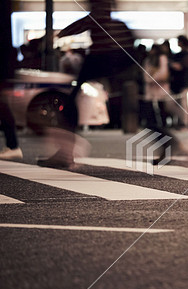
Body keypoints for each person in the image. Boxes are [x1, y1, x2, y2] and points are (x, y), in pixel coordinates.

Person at [37, 0, 136, 168]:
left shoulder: (95, 21)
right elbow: (132, 46)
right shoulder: (119, 25)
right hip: (121, 66)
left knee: (70, 103)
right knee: (136, 109)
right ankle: (170, 140)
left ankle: (65, 153)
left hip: (99, 60)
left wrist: (53, 37)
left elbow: (78, 26)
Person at [0, 0, 23, 161]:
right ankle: (13, 144)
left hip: (3, 64)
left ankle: (13, 145)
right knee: (2, 105)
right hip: (4, 64)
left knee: (2, 105)